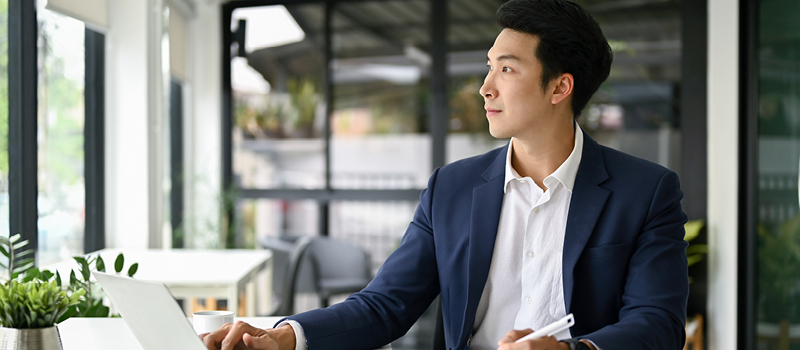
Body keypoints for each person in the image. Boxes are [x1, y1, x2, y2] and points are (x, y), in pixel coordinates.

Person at [202, 0, 689, 349]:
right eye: (488, 68)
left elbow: (657, 323)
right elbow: (385, 305)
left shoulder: (645, 192)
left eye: (507, 70)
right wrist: (287, 336)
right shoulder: (450, 190)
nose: (484, 88)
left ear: (560, 87)